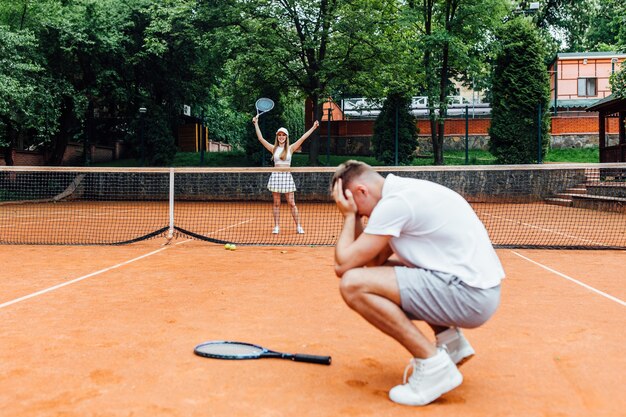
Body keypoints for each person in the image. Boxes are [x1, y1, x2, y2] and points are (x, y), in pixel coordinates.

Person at [331, 160, 504, 406]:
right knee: (376, 275)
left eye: (359, 209)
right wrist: (356, 215)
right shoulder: (402, 193)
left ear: (361, 191)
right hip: (476, 290)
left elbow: (344, 266)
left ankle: (434, 365)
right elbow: (375, 261)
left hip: (470, 296)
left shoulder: (395, 204)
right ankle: (451, 344)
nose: (363, 215)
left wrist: (349, 218)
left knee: (352, 284)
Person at [252, 116, 319, 234]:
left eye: (283, 135)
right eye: (279, 135)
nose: (281, 137)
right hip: (276, 177)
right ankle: (276, 226)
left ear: (286, 137)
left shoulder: (291, 148)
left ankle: (298, 226)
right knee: (276, 203)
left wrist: (313, 127)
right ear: (277, 137)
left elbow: (303, 137)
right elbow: (261, 138)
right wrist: (256, 123)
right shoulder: (273, 149)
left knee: (292, 203)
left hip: (287, 177)